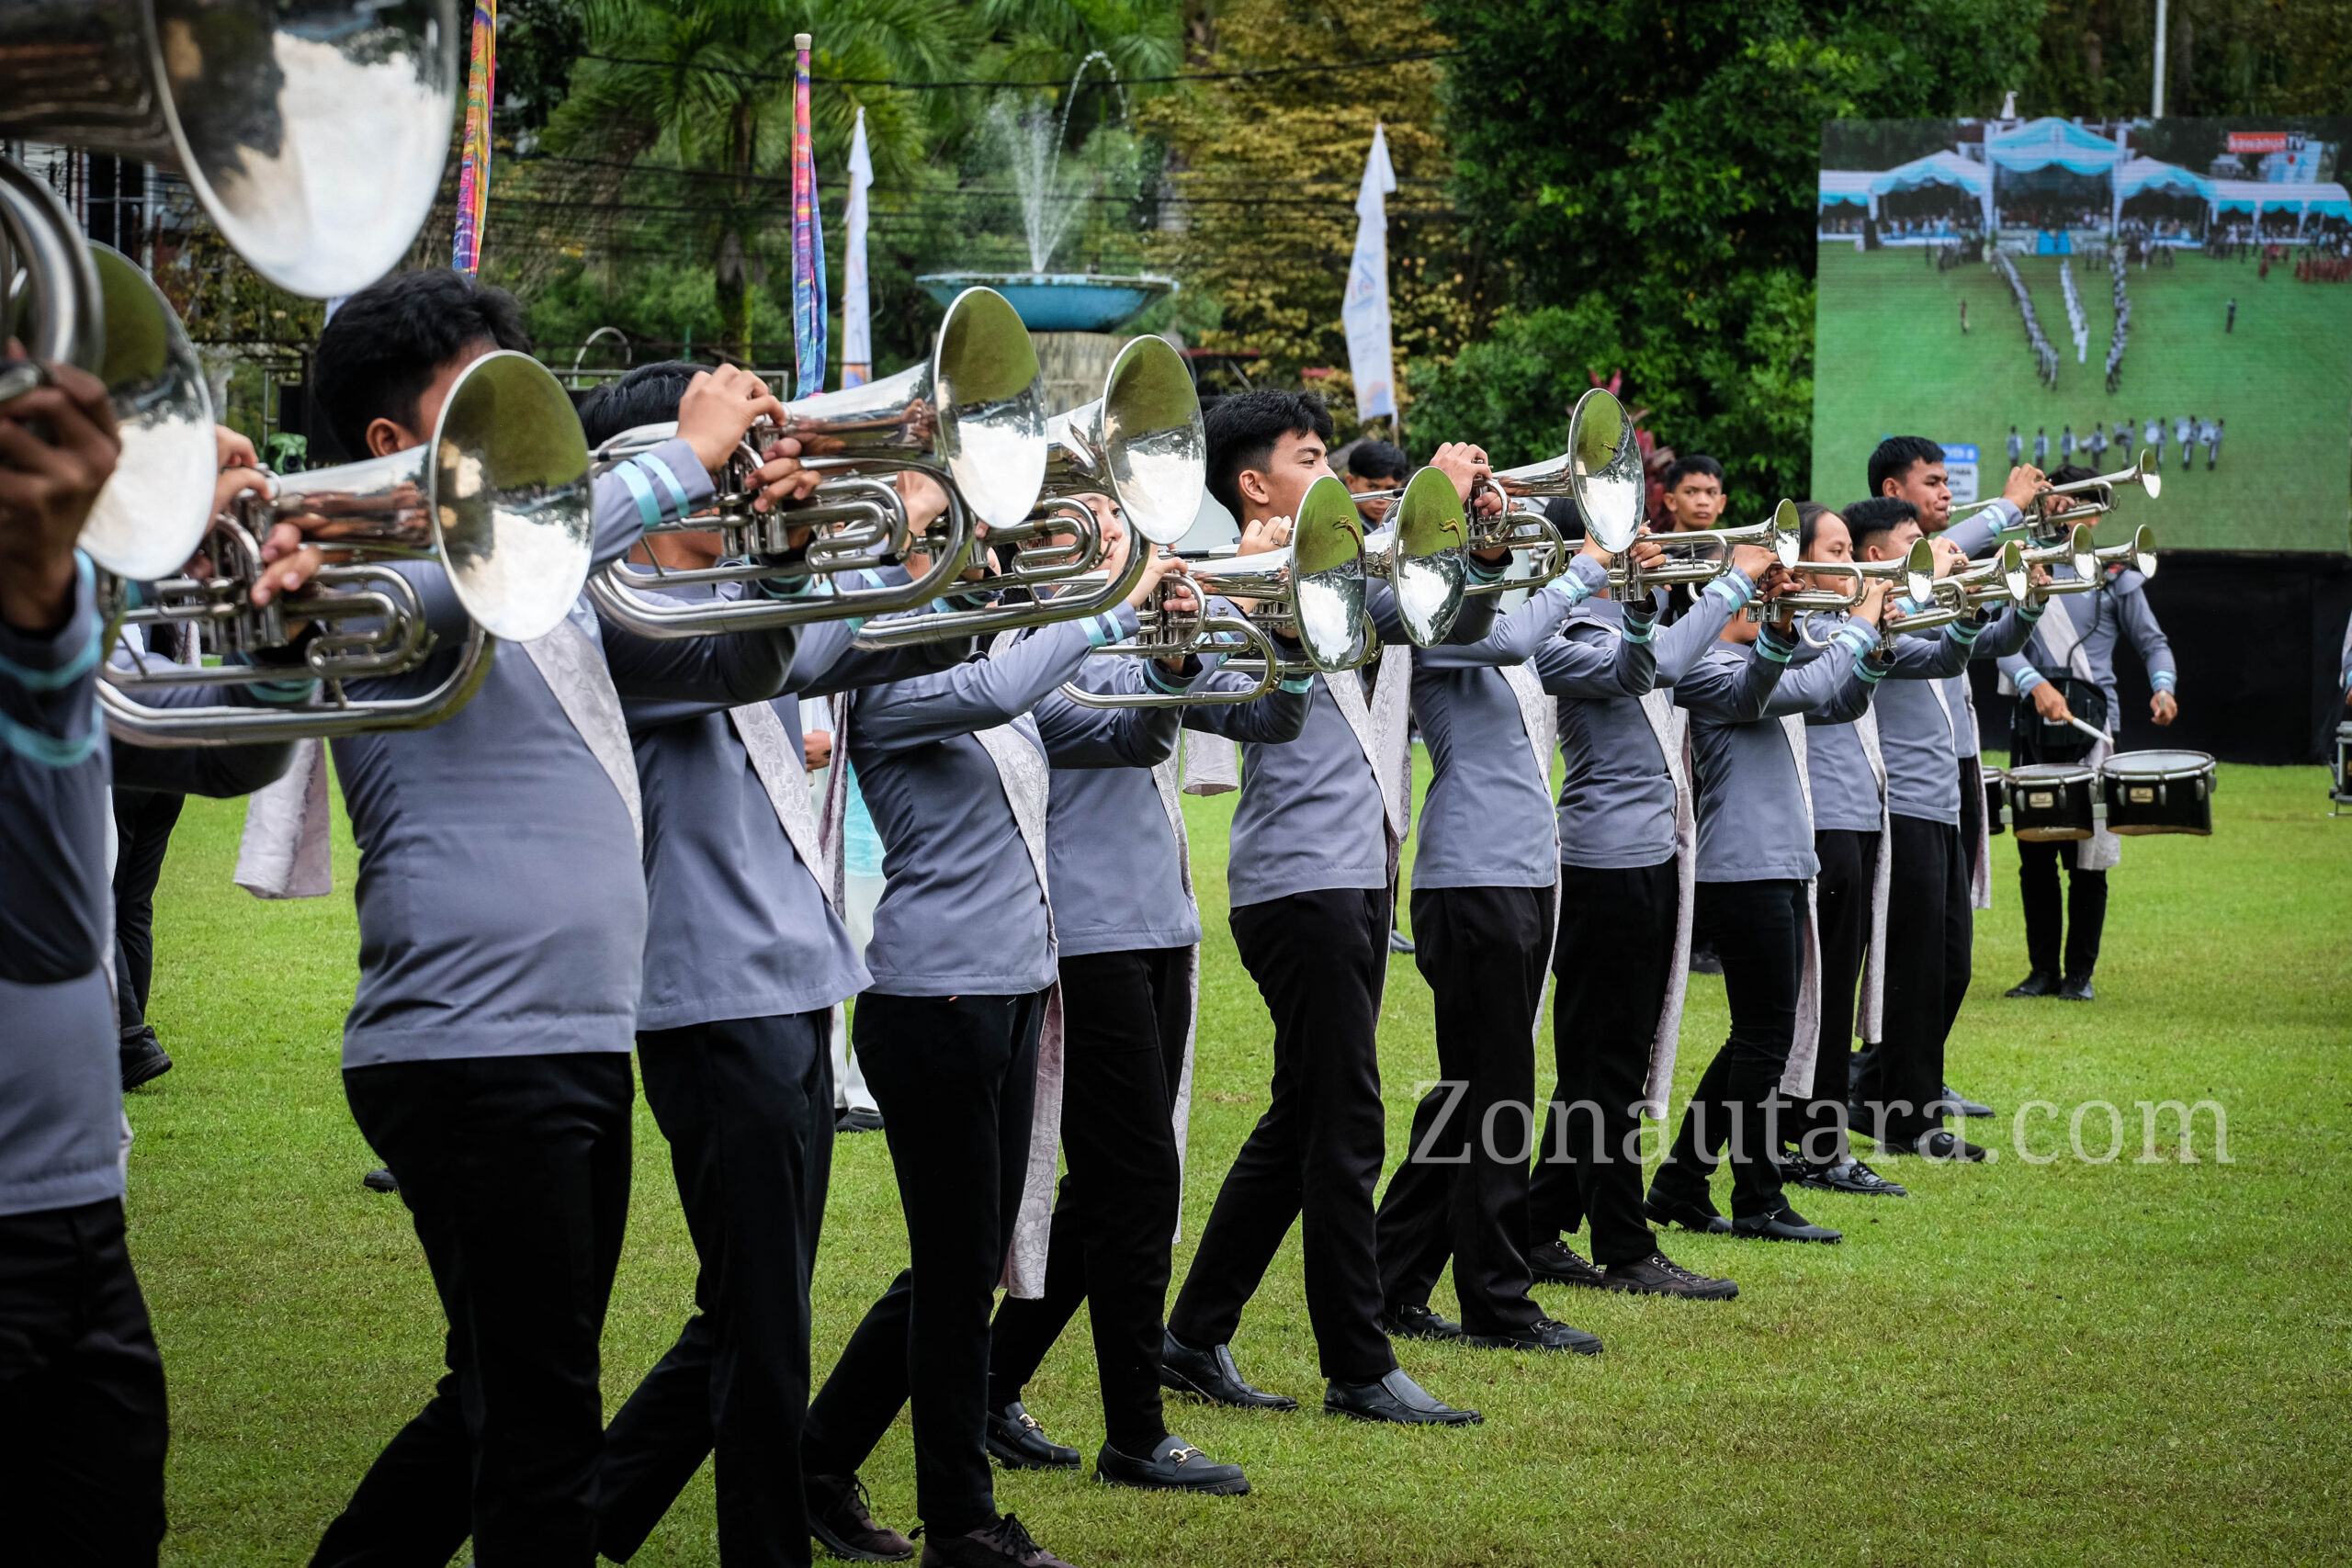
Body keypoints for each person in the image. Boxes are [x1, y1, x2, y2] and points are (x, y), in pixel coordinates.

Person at [297, 271, 804, 1568]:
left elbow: (730, 660)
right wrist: (684, 461)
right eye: (480, 410)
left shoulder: (554, 588)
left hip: (568, 1036)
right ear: (390, 448)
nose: (525, 444)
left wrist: (774, 547)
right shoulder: (374, 566)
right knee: (543, 1431)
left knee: (511, 1390)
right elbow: (473, 575)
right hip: (468, 1043)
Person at [567, 364, 961, 1568]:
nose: (742, 473)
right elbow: (746, 658)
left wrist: (925, 543)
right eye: (719, 456)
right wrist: (779, 549)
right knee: (759, 1328)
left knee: (755, 1314)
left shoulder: (734, 596)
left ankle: (595, 1518)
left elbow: (852, 644)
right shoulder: (619, 614)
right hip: (709, 994)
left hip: (794, 987)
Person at [799, 530, 1185, 1568]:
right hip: (934, 1000)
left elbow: (1121, 735)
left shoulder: (993, 684)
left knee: (961, 1265)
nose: (981, 576)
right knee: (958, 1266)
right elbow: (1009, 680)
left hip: (1011, 994)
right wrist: (1111, 598)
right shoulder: (890, 685)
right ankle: (961, 1525)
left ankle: (821, 1458)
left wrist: (1170, 660)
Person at [1161, 388, 1494, 1427]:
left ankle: (1193, 1333)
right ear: (1255, 483)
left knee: (1302, 1115)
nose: (1341, 481)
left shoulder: (1340, 571)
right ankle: (1357, 1362)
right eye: (1315, 459)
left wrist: (1470, 537)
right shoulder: (1222, 584)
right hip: (1295, 885)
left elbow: (1445, 615)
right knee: (1345, 1124)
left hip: (1350, 878)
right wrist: (1407, 506)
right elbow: (1233, 706)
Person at [983, 504, 1298, 1497]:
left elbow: (1266, 717)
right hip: (1085, 939)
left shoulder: (1125, 637)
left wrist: (1282, 628)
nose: (1141, 552)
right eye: (1115, 538)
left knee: (1107, 1194)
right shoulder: (1026, 648)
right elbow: (1117, 738)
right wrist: (1155, 651)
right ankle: (1134, 1431)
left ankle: (989, 1387)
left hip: (1159, 929)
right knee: (1137, 1187)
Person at [1372, 538, 1628, 1354]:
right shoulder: (1435, 616)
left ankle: (1391, 1278)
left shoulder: (1514, 625)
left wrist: (1653, 609)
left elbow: (1624, 675)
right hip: (1473, 875)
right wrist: (1583, 567)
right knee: (1496, 1100)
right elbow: (1509, 636)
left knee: (1470, 1094)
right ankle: (1499, 1304)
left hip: (1516, 871)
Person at [1521, 542, 1777, 1294]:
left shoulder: (1653, 626)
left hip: (1653, 860)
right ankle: (1625, 1246)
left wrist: (1780, 633)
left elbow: (1745, 696)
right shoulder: (1570, 636)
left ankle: (1540, 1221)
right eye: (1630, 537)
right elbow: (1655, 666)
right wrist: (1731, 584)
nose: (1654, 550)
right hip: (1605, 866)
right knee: (1605, 1064)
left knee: (1610, 1062)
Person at [1644, 553, 1890, 1243]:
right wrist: (1860, 623)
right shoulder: (1706, 670)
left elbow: (1838, 699)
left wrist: (1872, 646)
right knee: (1765, 1042)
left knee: (1754, 1038)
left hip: (1777, 865)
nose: (1766, 602)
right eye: (1753, 598)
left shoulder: (1759, 665)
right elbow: (1798, 688)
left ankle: (1680, 1181)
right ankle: (1757, 1197)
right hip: (1743, 870)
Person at [1844, 497, 2043, 1162]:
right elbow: (1943, 657)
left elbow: (1989, 646)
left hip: (1941, 807)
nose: (1935, 546)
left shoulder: (1917, 610)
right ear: (1878, 554)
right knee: (1919, 966)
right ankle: (1904, 1113)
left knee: (1949, 963)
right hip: (1902, 807)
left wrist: (2026, 605)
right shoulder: (1874, 619)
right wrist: (1965, 599)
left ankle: (1878, 1084)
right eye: (1916, 539)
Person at [1996, 466, 2178, 1004]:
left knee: (2088, 859)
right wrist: (2032, 684)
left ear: (2095, 514)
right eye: (2058, 501)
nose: (2066, 511)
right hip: (2033, 722)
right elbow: (1995, 640)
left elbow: (2153, 642)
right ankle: (2041, 972)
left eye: (2079, 505)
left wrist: (2163, 687)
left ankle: (2079, 975)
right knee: (2036, 856)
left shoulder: (2116, 573)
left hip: (2095, 726)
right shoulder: (2017, 563)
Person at [1342, 438, 1410, 528]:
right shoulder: (1342, 527)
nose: (1381, 500)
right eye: (1373, 487)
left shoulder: (1398, 527)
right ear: (1351, 482)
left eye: (1390, 489)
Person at [1658, 454, 1727, 535]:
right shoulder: (1654, 547)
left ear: (1721, 503)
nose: (1703, 502)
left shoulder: (1735, 547)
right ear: (1671, 501)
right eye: (1691, 492)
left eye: (1711, 492)